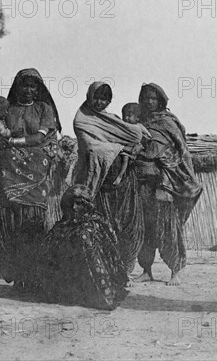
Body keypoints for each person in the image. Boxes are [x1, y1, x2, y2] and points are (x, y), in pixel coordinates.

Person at [0, 68, 62, 290]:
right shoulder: (7, 110)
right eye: (25, 85)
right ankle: (17, 275)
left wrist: (11, 143)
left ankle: (34, 276)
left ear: (38, 88)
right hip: (7, 168)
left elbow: (41, 138)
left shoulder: (44, 109)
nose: (29, 90)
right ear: (17, 87)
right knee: (9, 222)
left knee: (32, 224)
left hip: (37, 166)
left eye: (33, 86)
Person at [134, 83, 202, 286]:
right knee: (145, 228)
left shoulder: (167, 122)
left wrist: (160, 158)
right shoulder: (138, 121)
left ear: (161, 100)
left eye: (153, 98)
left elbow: (181, 152)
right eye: (145, 97)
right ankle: (146, 270)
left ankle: (175, 272)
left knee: (169, 227)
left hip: (166, 184)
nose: (149, 101)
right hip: (144, 183)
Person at [73, 82, 145, 273]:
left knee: (127, 223)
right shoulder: (82, 120)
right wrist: (122, 148)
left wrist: (134, 145)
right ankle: (106, 268)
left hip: (124, 181)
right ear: (89, 96)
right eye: (96, 97)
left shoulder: (112, 120)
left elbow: (136, 137)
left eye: (104, 99)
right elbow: (90, 147)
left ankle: (127, 268)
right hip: (100, 183)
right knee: (104, 224)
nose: (100, 102)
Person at [40, 185, 129, 310]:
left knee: (83, 237)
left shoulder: (92, 225)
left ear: (87, 205)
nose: (74, 208)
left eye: (78, 204)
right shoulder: (61, 226)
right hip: (65, 279)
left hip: (91, 279)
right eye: (71, 204)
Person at [113, 103, 151, 186]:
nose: (126, 118)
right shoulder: (124, 125)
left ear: (137, 118)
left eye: (129, 116)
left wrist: (146, 137)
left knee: (130, 161)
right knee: (125, 160)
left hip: (135, 147)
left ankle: (121, 176)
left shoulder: (139, 126)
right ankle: (120, 176)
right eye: (124, 115)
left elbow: (147, 134)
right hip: (125, 147)